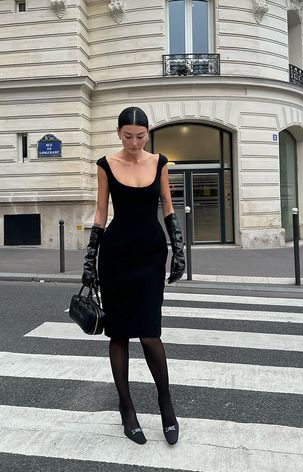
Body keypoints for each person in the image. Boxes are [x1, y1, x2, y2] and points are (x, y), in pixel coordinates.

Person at [82, 106, 185, 445]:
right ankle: (127, 409)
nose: (135, 142)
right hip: (115, 256)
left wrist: (178, 249)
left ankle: (166, 405)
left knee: (150, 333)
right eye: (128, 136)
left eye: (140, 136)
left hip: (150, 256)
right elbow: (100, 212)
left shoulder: (160, 163)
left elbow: (168, 206)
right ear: (118, 133)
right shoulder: (106, 165)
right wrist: (89, 260)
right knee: (120, 334)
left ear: (148, 134)